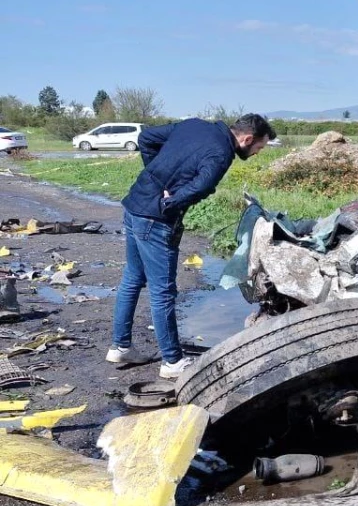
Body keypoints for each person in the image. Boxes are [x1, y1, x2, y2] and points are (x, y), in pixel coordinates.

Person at [108, 114, 275, 378]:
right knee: (162, 291)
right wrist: (169, 201)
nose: (256, 153)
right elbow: (202, 186)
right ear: (247, 139)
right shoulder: (221, 153)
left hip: (134, 206)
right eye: (259, 148)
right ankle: (172, 362)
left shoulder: (193, 124)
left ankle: (120, 346)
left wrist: (156, 179)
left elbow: (146, 138)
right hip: (155, 218)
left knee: (132, 278)